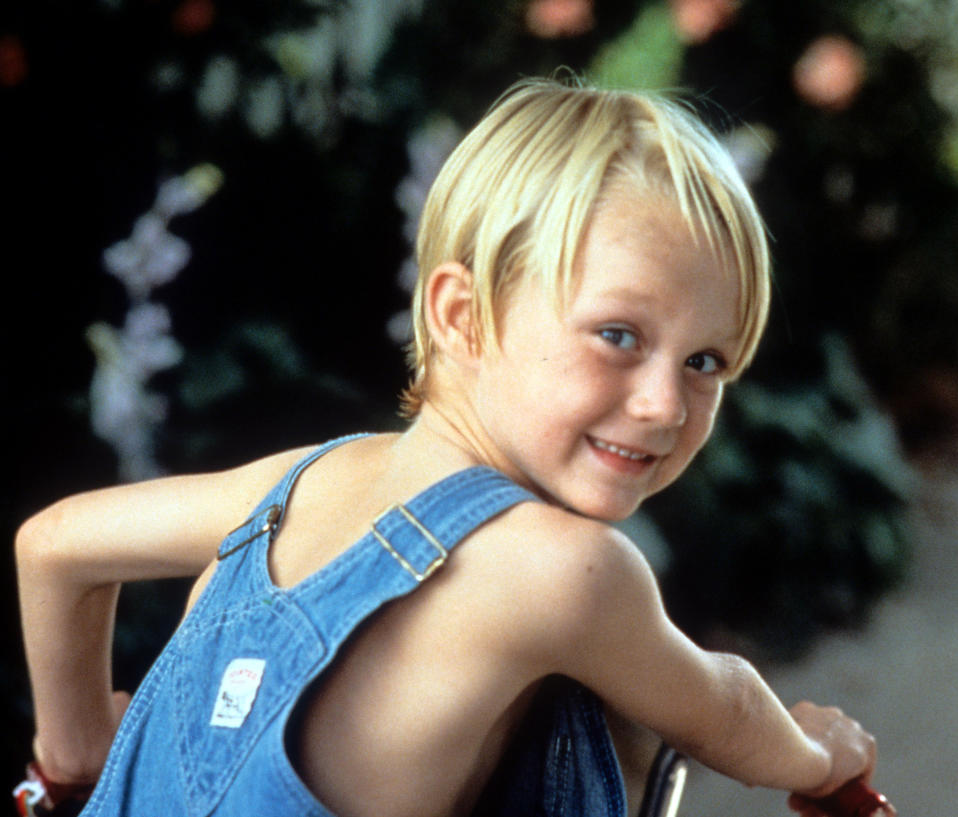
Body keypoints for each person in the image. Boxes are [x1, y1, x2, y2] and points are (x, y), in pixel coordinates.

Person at [15, 77, 882, 817]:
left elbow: (53, 546)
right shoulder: (566, 570)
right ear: (460, 315)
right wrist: (816, 755)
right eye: (618, 334)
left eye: (705, 361)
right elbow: (721, 711)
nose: (663, 404)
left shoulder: (296, 481)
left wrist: (73, 756)